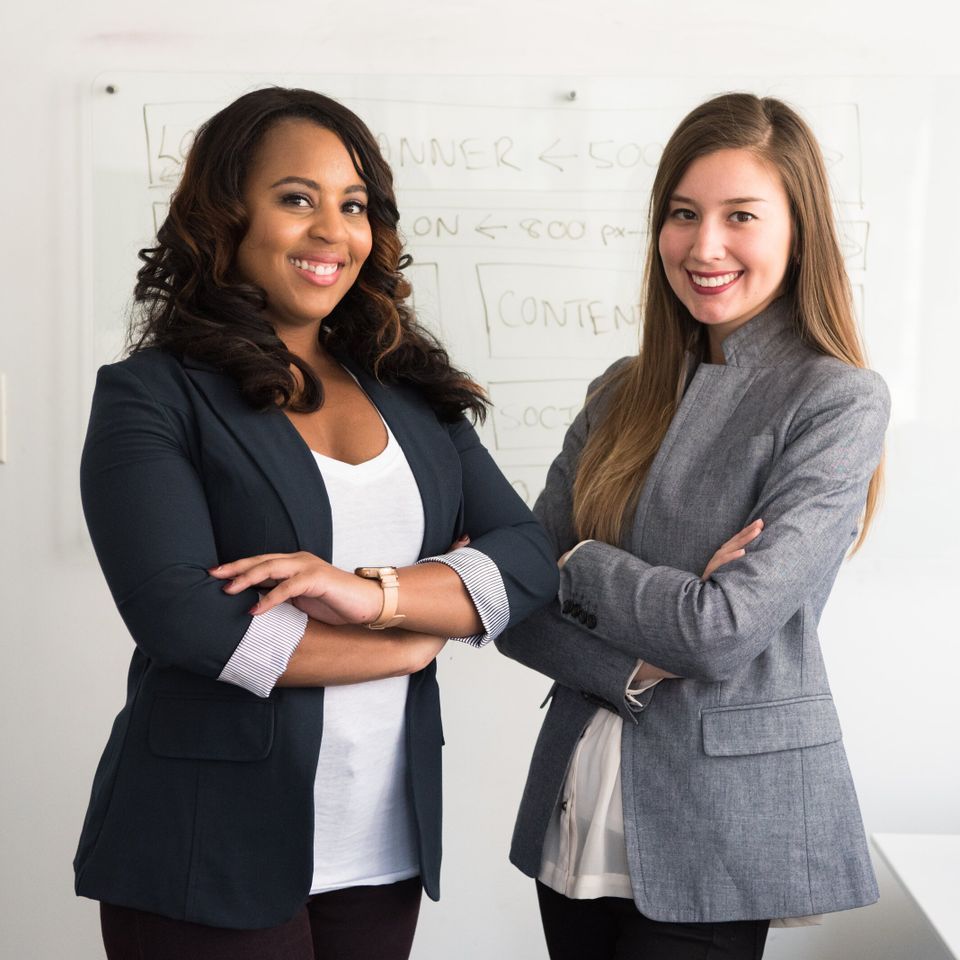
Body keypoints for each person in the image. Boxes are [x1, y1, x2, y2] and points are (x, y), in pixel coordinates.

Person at [74, 87, 558, 960]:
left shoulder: (412, 392)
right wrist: (411, 640)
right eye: (297, 198)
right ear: (226, 217)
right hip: (204, 846)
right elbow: (188, 620)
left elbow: (525, 560)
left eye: (354, 204)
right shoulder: (152, 395)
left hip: (381, 846)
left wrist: (371, 597)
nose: (333, 230)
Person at [496, 92, 889, 960]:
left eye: (739, 216)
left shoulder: (835, 400)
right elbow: (516, 606)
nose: (703, 246)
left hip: (718, 825)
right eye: (683, 214)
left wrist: (581, 561)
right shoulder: (618, 390)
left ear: (799, 230)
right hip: (576, 806)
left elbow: (719, 632)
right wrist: (632, 659)